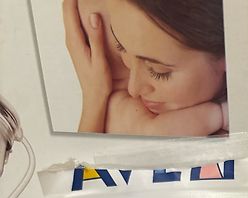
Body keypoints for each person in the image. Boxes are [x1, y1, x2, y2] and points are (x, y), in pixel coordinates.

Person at [63, 0, 228, 136]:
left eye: (159, 72)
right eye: (121, 48)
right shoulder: (120, 110)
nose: (133, 89)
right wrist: (94, 97)